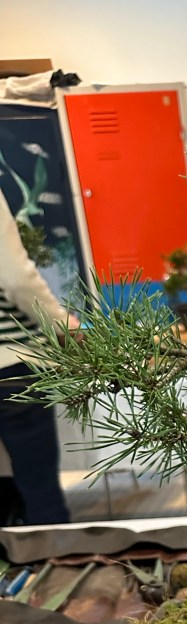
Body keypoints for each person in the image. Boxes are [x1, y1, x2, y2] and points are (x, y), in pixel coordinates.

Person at [0, 188, 78, 524]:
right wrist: (63, 325)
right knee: (40, 494)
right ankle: (54, 553)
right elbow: (16, 278)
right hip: (9, 363)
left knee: (7, 500)